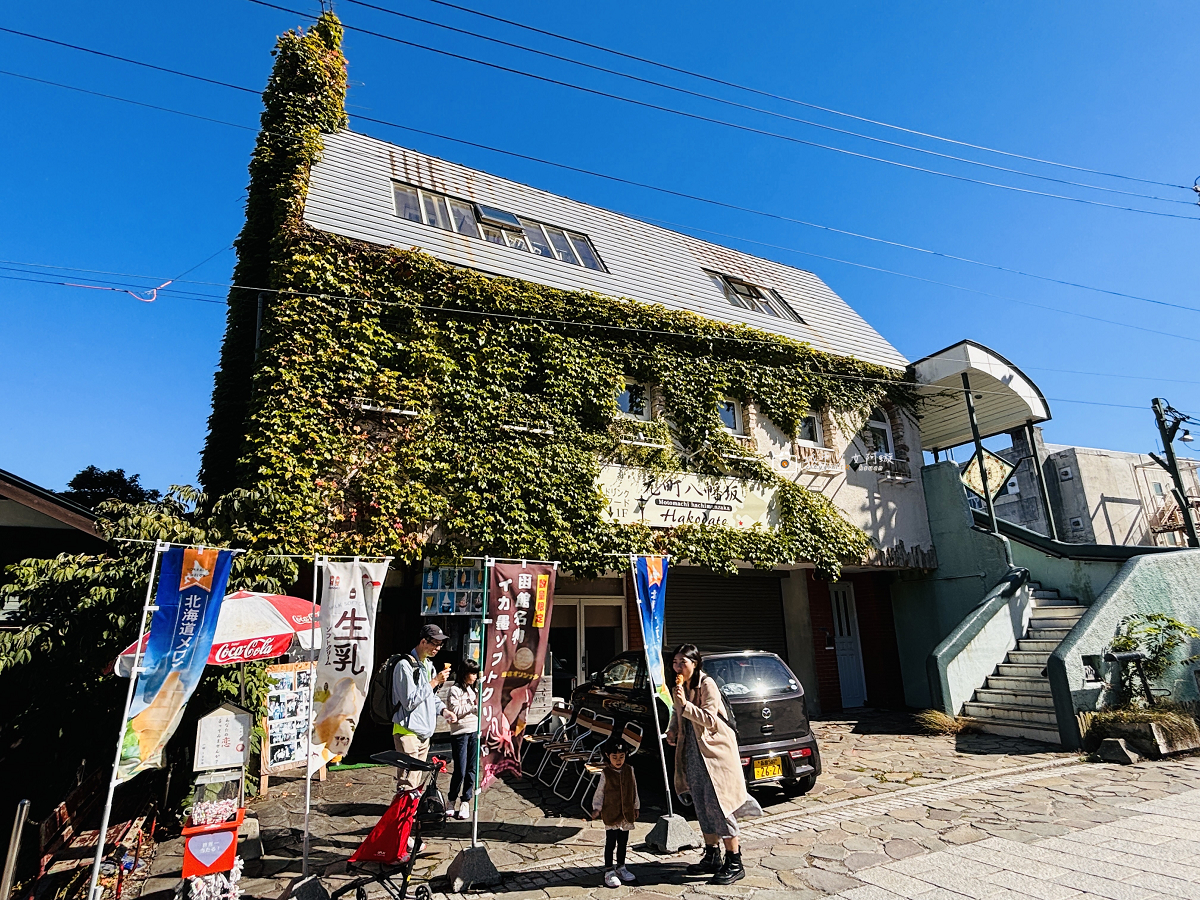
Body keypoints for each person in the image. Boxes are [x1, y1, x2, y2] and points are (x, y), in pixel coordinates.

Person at [666, 643, 762, 885]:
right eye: (675, 662)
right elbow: (677, 714)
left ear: (695, 664)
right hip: (692, 754)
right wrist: (672, 729)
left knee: (719, 805)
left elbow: (710, 719)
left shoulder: (707, 684)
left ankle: (734, 860)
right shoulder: (682, 686)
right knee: (701, 803)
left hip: (714, 755)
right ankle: (712, 855)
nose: (677, 667)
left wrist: (686, 706)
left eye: (682, 663)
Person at [392, 623, 457, 792]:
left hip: (424, 732)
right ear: (423, 641)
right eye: (434, 644)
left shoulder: (428, 665)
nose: (438, 648)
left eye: (440, 645)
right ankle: (402, 816)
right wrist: (435, 681)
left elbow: (430, 697)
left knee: (416, 783)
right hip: (407, 731)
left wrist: (444, 710)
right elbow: (409, 701)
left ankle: (410, 814)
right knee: (408, 782)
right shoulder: (404, 666)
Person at [588, 739, 639, 889]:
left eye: (621, 757)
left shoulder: (630, 770)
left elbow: (634, 789)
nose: (618, 760)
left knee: (623, 842)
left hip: (626, 813)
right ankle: (609, 870)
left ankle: (621, 867)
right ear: (607, 756)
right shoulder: (606, 773)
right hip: (611, 812)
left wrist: (636, 806)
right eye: (614, 757)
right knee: (611, 843)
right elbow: (600, 792)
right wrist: (597, 808)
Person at [447, 659, 480, 820]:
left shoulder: (473, 690)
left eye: (476, 673)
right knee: (460, 768)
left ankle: (465, 800)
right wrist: (472, 707)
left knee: (471, 768)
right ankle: (451, 799)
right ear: (464, 673)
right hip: (460, 732)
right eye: (472, 673)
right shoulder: (454, 690)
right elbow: (455, 711)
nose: (475, 676)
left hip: (474, 730)